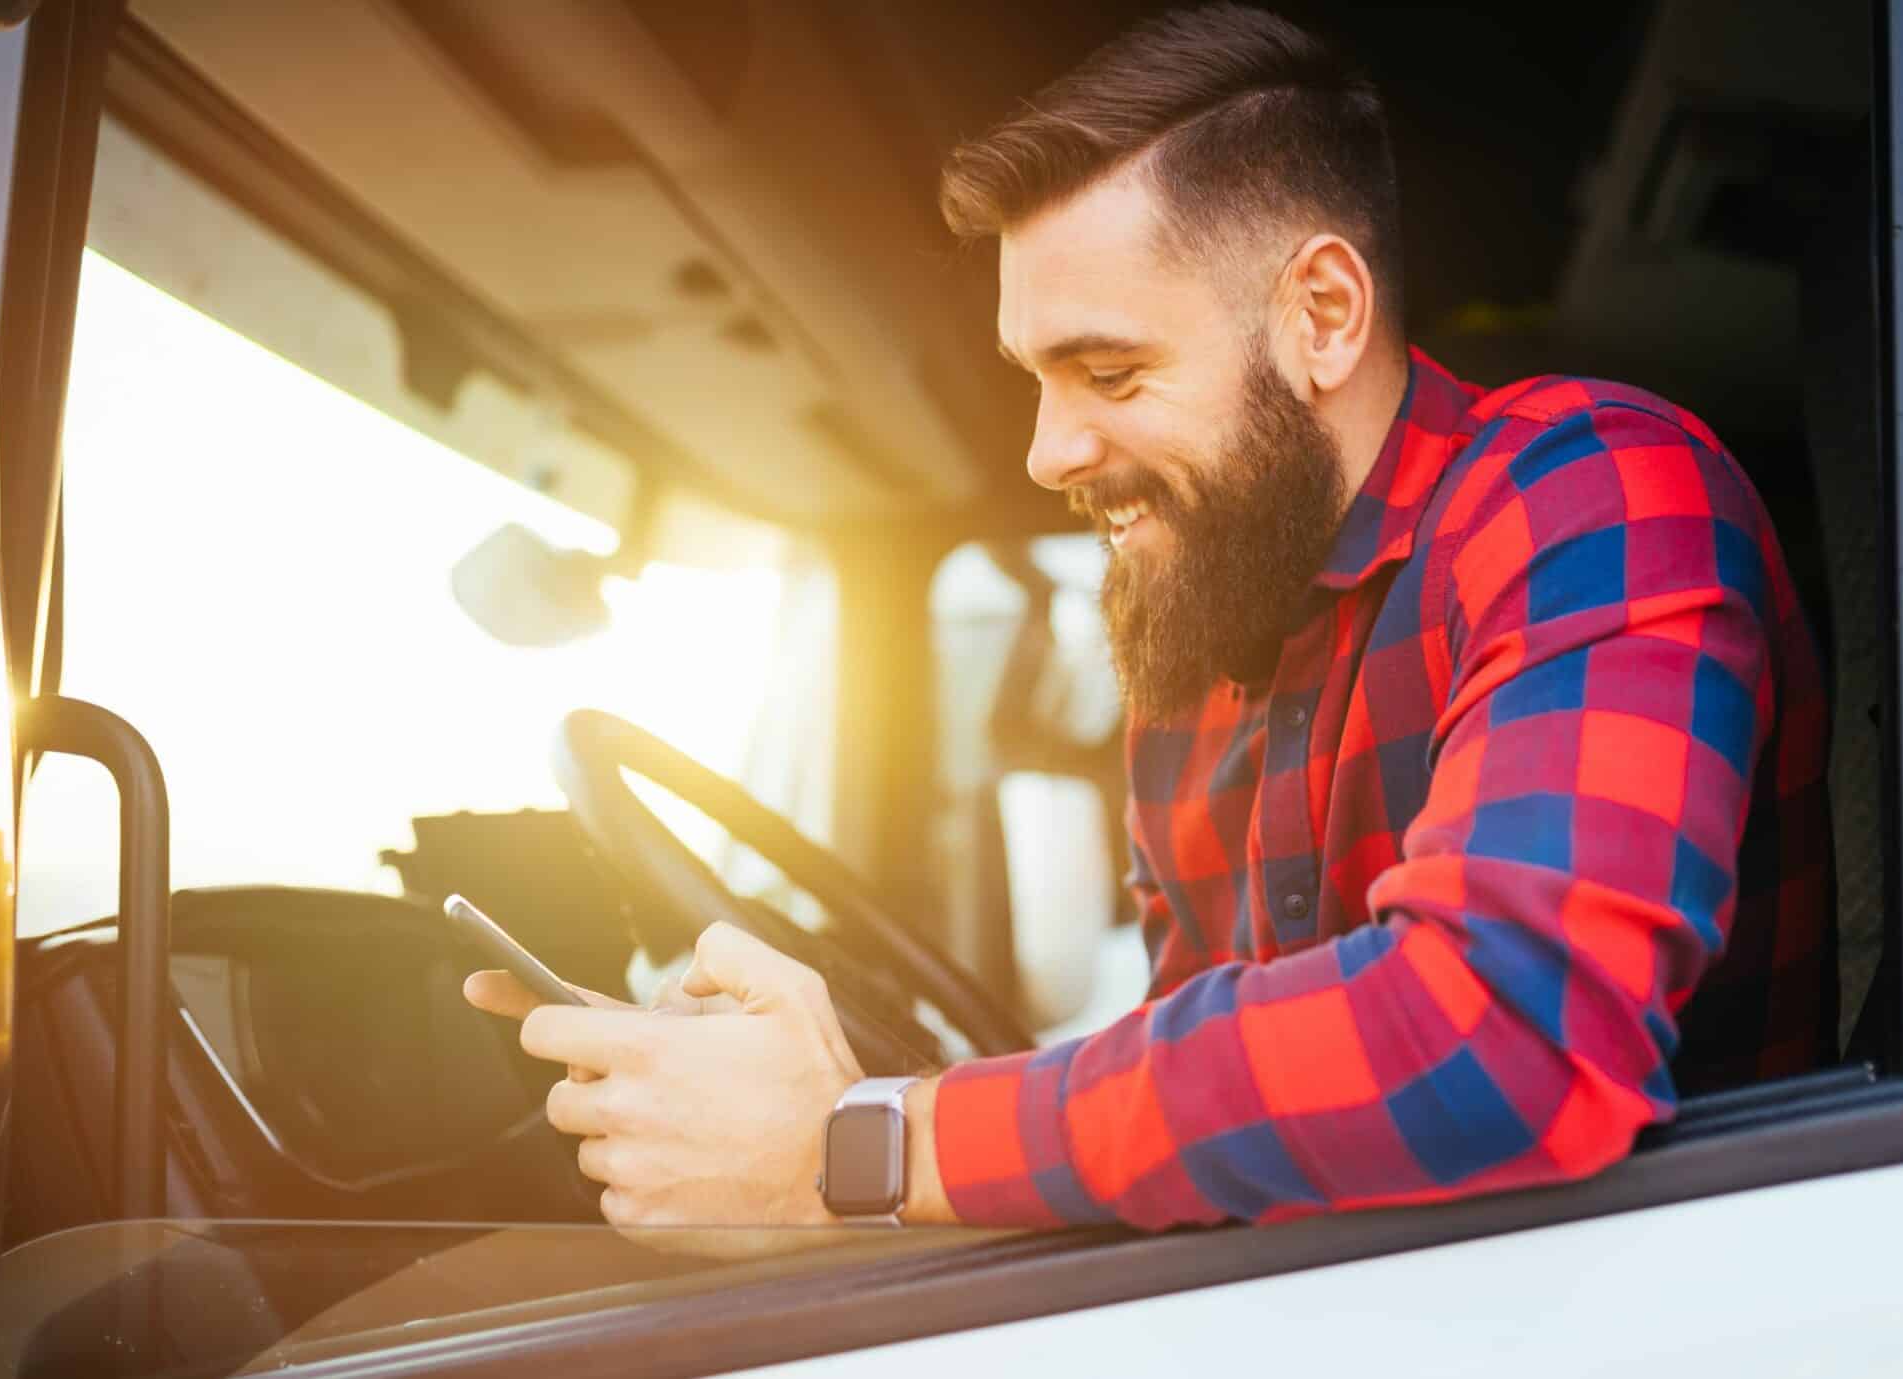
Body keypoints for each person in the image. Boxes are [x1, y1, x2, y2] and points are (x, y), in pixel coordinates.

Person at [466, 2, 1833, 1233]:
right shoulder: (1189, 666)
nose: (1047, 453)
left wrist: (866, 1146)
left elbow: (1505, 1044)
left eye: (1108, 371)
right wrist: (776, 1104)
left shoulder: (1594, 491)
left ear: (1323, 315)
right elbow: (1212, 1114)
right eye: (1034, 379)